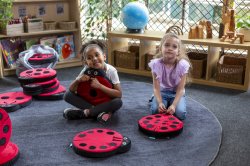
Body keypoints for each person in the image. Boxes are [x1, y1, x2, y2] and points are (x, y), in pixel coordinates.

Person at [63, 40, 122, 123]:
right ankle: (100, 112)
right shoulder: (86, 70)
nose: (94, 59)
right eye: (89, 58)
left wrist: (100, 86)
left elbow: (119, 94)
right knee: (67, 95)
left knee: (118, 102)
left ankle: (86, 113)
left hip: (105, 101)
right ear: (86, 62)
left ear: (104, 57)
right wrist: (78, 80)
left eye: (97, 55)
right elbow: (72, 89)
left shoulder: (111, 71)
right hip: (90, 101)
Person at [148, 33, 191, 120]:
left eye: (174, 47)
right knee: (155, 111)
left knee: (180, 114)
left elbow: (180, 89)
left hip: (176, 94)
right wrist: (160, 102)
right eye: (167, 45)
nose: (170, 48)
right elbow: (156, 88)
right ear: (161, 48)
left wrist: (174, 105)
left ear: (178, 51)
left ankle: (173, 103)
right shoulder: (156, 64)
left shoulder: (183, 65)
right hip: (162, 93)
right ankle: (156, 99)